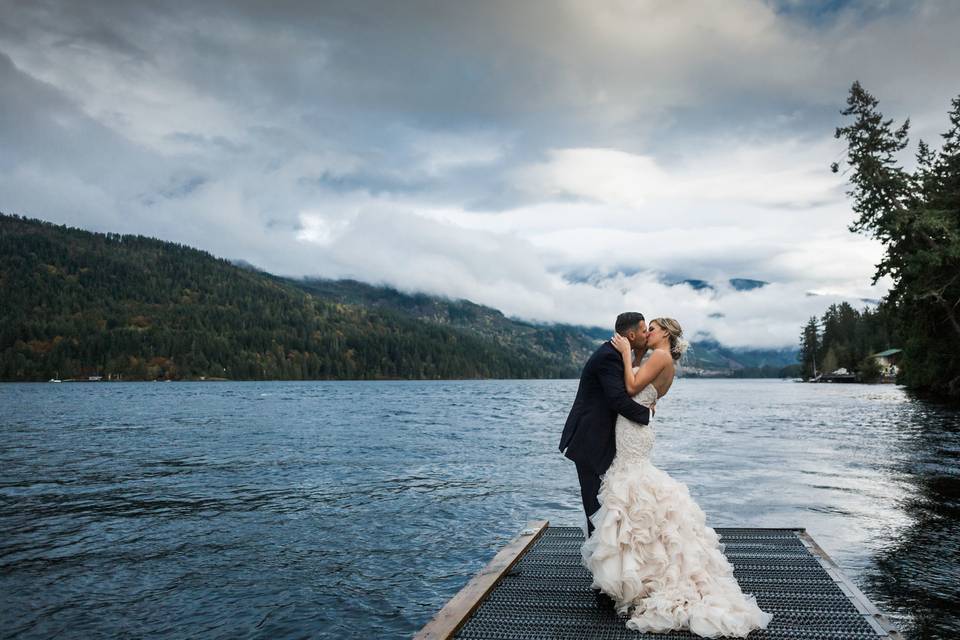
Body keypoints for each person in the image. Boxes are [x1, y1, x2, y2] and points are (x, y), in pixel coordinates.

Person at [581, 318, 773, 638]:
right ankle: (637, 568)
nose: (648, 333)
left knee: (631, 490)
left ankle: (634, 571)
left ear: (666, 334)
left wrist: (627, 354)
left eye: (653, 328)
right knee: (634, 492)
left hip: (633, 430)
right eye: (646, 328)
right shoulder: (662, 360)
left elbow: (629, 388)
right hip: (635, 429)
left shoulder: (659, 356)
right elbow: (645, 393)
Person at [559, 312, 652, 536]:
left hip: (599, 439)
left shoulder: (615, 353)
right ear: (631, 334)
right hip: (590, 440)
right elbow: (617, 399)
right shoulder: (608, 357)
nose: (647, 334)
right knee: (594, 507)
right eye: (643, 330)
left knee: (603, 503)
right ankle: (598, 563)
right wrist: (647, 415)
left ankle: (605, 555)